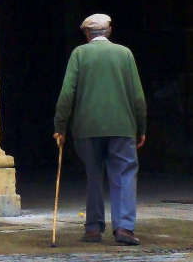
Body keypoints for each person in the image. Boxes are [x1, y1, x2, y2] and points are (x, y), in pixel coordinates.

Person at [53, 14, 147, 246]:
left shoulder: (79, 54)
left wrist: (60, 127)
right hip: (122, 126)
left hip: (86, 128)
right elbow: (138, 97)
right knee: (124, 174)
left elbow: (67, 95)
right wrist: (141, 127)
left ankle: (93, 228)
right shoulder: (125, 54)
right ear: (109, 31)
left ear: (87, 34)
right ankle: (124, 227)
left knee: (93, 175)